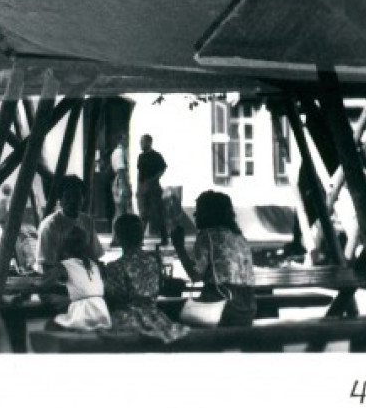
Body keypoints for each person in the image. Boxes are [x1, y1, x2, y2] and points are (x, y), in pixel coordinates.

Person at [170, 189, 256, 327]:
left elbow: (196, 275)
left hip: (221, 305)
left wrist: (179, 247)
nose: (195, 214)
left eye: (198, 210)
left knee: (170, 316)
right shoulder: (239, 238)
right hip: (248, 305)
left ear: (208, 213)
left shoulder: (207, 236)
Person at [104, 214, 189, 343]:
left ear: (118, 238)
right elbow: (158, 288)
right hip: (155, 316)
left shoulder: (115, 266)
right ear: (141, 236)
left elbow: (115, 297)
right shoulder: (154, 260)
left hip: (126, 317)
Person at [40, 223, 111, 331]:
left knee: (51, 324)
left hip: (82, 313)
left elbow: (44, 286)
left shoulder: (64, 265)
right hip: (102, 310)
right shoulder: (94, 264)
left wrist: (31, 288)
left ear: (64, 247)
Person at [37, 175, 105, 269]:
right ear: (60, 200)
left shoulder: (87, 221)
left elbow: (94, 255)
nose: (73, 201)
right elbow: (47, 265)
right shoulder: (50, 226)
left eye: (77, 196)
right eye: (68, 197)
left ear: (83, 199)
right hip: (57, 276)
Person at [136, 135, 168, 240]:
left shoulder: (156, 156)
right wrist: (139, 188)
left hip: (153, 188)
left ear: (149, 142)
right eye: (140, 142)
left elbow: (163, 168)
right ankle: (139, 239)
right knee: (143, 214)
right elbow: (139, 173)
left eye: (143, 142)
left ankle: (164, 237)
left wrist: (154, 179)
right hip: (142, 188)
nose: (141, 144)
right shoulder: (141, 156)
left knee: (157, 213)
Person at [110, 133, 133, 219]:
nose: (127, 141)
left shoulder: (119, 151)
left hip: (120, 180)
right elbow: (121, 169)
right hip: (120, 181)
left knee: (121, 209)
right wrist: (124, 186)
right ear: (120, 140)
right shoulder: (119, 152)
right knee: (122, 209)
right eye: (125, 139)